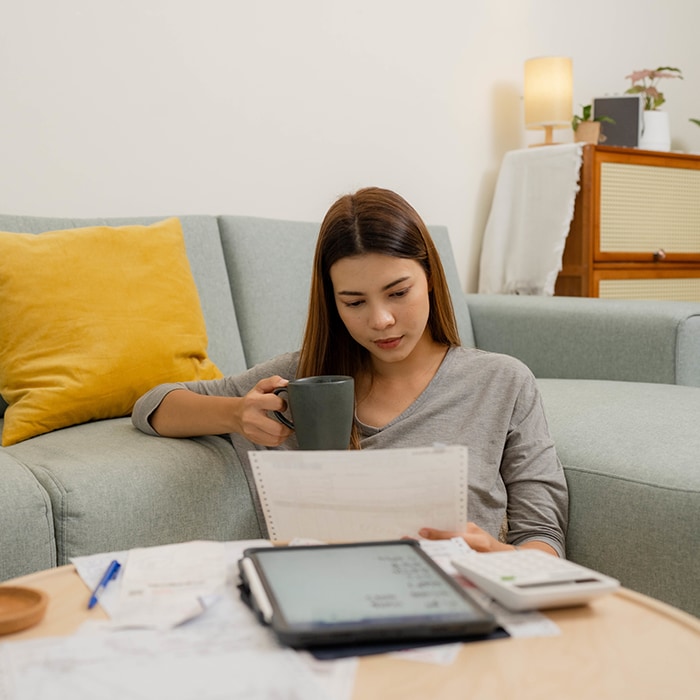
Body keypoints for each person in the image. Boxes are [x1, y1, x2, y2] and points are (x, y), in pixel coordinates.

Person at [132, 187, 568, 556]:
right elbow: (153, 406)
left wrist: (499, 556)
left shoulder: (502, 382)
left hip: (464, 605)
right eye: (354, 302)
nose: (380, 320)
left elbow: (542, 535)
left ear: (431, 278)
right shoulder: (304, 381)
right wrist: (234, 414)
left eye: (398, 292)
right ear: (333, 302)